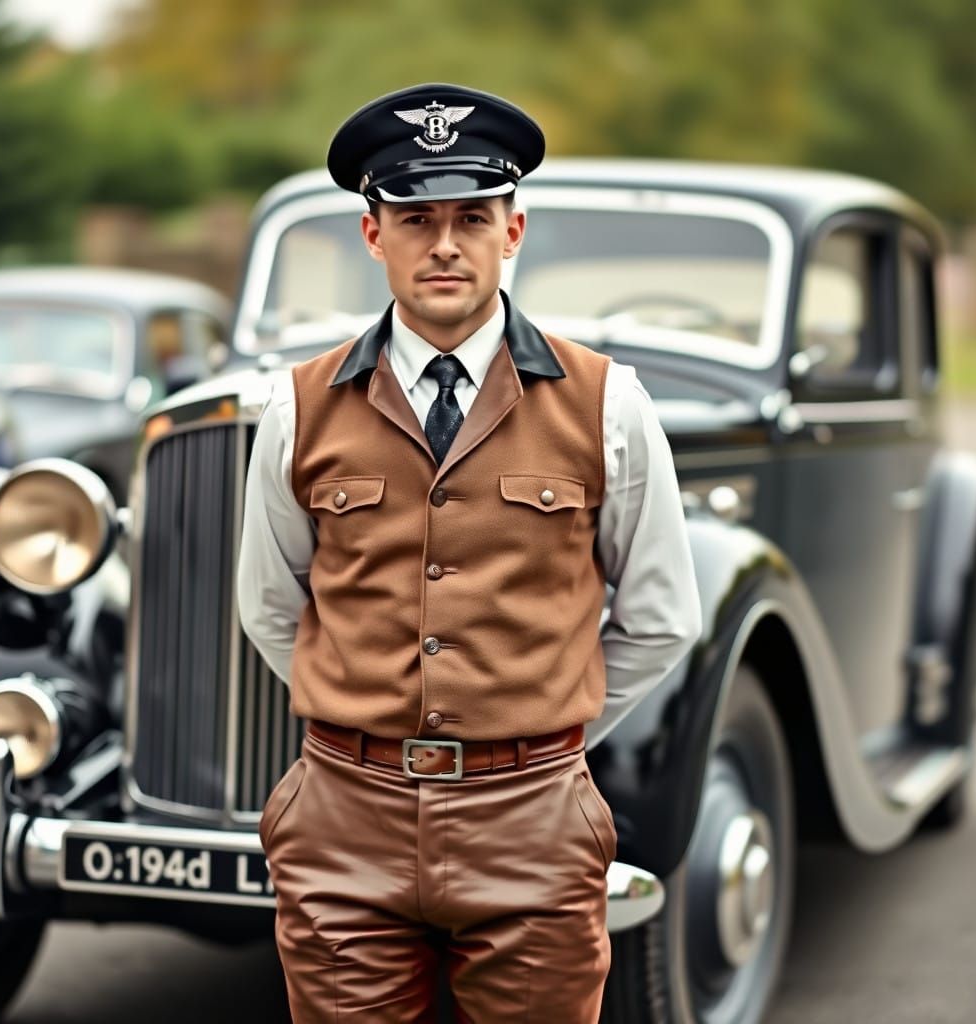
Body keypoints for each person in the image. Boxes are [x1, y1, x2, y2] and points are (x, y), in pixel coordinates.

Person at [237, 82, 702, 1023]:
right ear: (373, 236)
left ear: (513, 231)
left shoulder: (609, 402)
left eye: (471, 217)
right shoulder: (299, 404)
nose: (444, 244)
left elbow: (660, 618)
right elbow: (271, 604)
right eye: (415, 218)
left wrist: (540, 735)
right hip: (342, 816)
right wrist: (359, 717)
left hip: (531, 822)